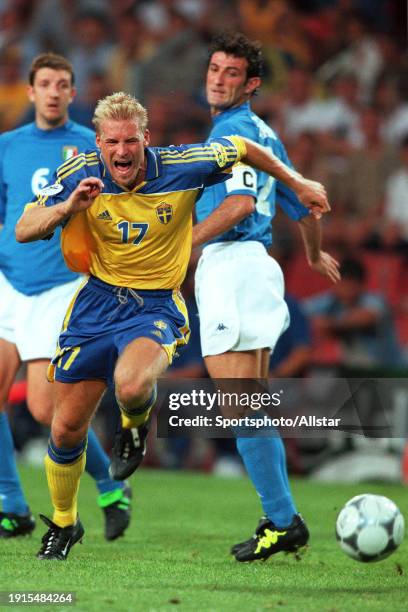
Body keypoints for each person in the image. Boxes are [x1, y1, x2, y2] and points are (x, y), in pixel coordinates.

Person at [15, 91, 331, 560]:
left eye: (130, 141)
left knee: (131, 383)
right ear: (98, 143)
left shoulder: (184, 163)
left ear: (145, 138)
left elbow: (243, 149)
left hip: (156, 305)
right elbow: (25, 227)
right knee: (64, 430)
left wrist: (295, 180)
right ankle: (64, 524)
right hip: (95, 305)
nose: (121, 152)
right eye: (111, 143)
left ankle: (135, 423)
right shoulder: (79, 173)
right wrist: (68, 209)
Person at [191, 32, 340, 563]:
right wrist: (315, 254)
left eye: (231, 73)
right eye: (213, 68)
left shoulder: (233, 129)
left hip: (232, 265)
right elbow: (308, 204)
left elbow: (236, 206)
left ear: (251, 84)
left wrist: (183, 246)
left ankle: (282, 519)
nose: (217, 78)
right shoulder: (263, 132)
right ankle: (279, 518)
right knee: (251, 402)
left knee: (239, 404)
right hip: (259, 269)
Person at [0, 53, 131, 542]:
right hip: (9, 282)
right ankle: (12, 506)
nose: (54, 91)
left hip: (60, 288)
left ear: (73, 94)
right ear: (30, 91)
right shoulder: (6, 147)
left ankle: (110, 487)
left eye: (63, 84)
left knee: (44, 411)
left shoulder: (92, 148)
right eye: (45, 84)